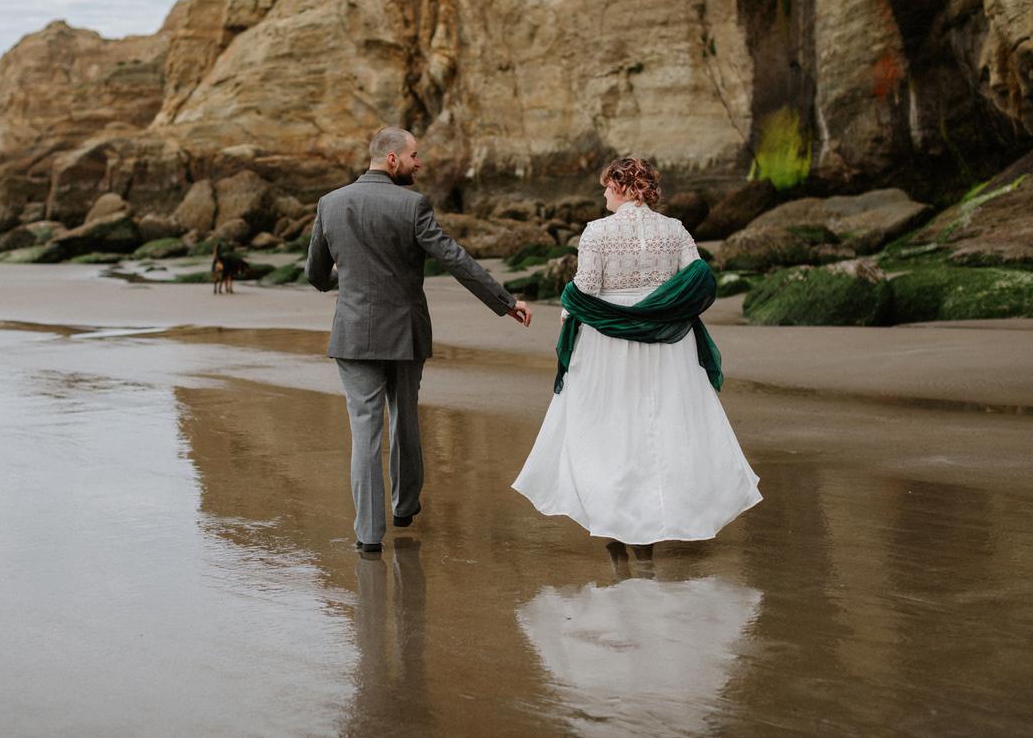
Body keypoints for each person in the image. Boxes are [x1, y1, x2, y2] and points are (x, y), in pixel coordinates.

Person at [512, 156, 761, 562]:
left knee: (610, 427)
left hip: (609, 344)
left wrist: (567, 311)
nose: (604, 194)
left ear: (625, 187)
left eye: (608, 186)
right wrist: (663, 307)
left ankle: (615, 520)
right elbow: (698, 279)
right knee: (662, 427)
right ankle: (651, 524)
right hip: (667, 341)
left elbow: (586, 288)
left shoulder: (597, 232)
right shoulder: (675, 229)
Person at [307, 127, 534, 553]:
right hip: (405, 332)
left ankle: (368, 535)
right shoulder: (412, 206)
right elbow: (454, 258)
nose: (419, 163)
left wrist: (346, 277)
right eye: (414, 156)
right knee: (405, 416)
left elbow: (316, 274)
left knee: (364, 433)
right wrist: (505, 301)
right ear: (392, 159)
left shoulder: (330, 203)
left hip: (353, 332)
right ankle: (405, 505)